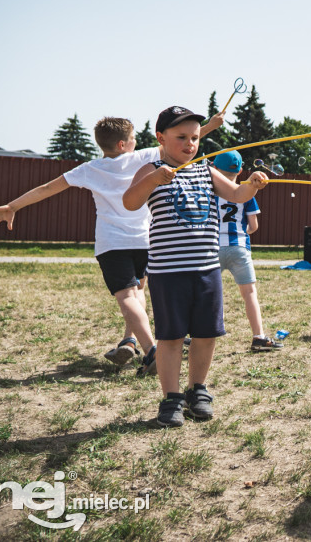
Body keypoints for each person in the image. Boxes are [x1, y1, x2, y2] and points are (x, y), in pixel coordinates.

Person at [0, 113, 223, 372]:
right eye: (132, 139)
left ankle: (151, 350)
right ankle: (131, 341)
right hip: (144, 240)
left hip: (112, 244)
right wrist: (211, 126)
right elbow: (181, 145)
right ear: (123, 144)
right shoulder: (143, 157)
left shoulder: (89, 169)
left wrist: (12, 206)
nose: (135, 142)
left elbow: (47, 188)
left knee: (127, 296)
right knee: (138, 292)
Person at [123, 106, 267, 428]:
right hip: (167, 272)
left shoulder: (206, 170)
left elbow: (237, 194)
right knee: (171, 338)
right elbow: (130, 202)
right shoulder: (151, 169)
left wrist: (253, 185)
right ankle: (171, 398)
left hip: (206, 269)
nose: (190, 144)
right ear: (160, 138)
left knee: (206, 334)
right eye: (182, 138)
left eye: (195, 138)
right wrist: (155, 179)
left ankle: (197, 390)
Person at [211, 151, 283, 351]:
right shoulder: (247, 191)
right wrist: (243, 231)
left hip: (213, 248)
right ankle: (258, 336)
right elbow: (253, 226)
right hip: (239, 247)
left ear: (214, 169)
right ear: (240, 170)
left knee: (207, 294)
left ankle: (195, 336)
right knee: (250, 293)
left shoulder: (210, 192)